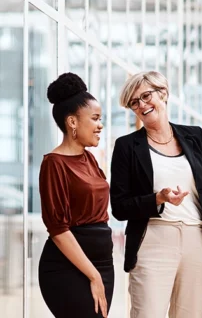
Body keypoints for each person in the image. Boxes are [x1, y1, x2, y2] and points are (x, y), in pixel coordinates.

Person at [110, 71, 202, 318]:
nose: (142, 105)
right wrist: (156, 199)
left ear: (164, 94)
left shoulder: (196, 137)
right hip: (153, 238)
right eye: (134, 102)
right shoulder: (126, 146)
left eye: (146, 96)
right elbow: (119, 206)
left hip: (198, 239)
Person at [38, 73, 114, 318]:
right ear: (72, 122)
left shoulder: (90, 159)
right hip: (67, 267)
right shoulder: (54, 164)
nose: (100, 125)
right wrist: (92, 275)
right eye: (94, 118)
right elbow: (58, 229)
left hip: (103, 263)